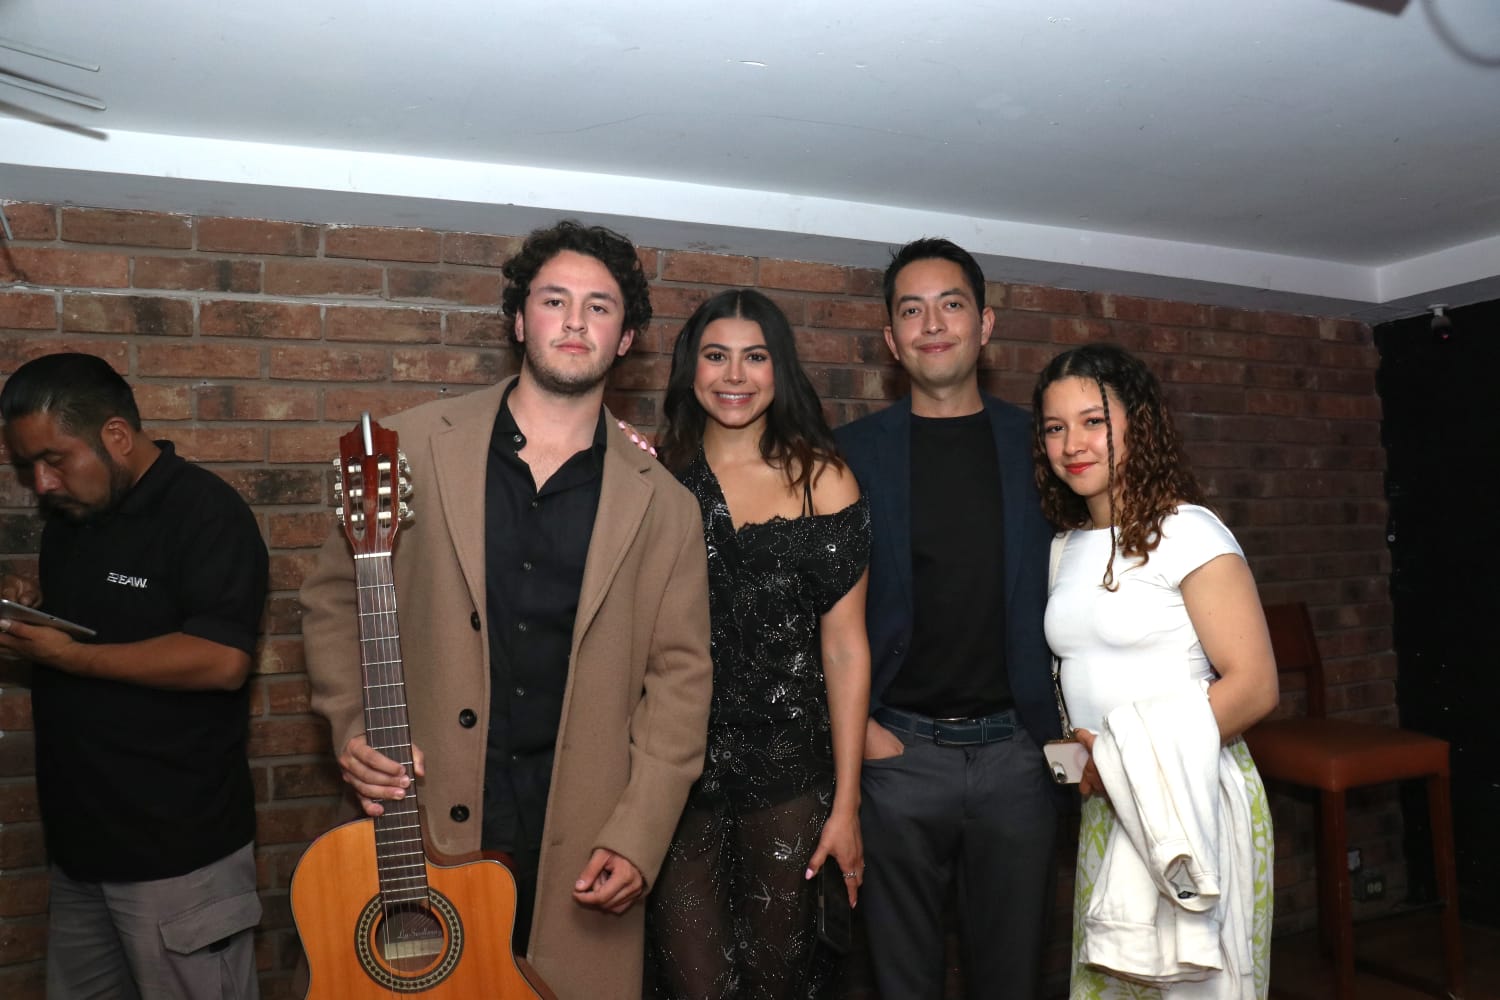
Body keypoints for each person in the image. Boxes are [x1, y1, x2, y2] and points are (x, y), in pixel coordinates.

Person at [299, 220, 713, 999]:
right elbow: (331, 598)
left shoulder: (666, 506)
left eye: (599, 307)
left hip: (580, 843)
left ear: (626, 338)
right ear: (519, 321)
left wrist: (641, 833)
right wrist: (353, 726)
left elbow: (681, 682)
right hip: (420, 820)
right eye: (554, 300)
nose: (575, 321)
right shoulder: (411, 446)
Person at [0, 352, 268, 1000]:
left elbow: (222, 660)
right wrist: (30, 611)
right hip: (81, 856)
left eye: (54, 459)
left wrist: (69, 657)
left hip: (180, 862)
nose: (42, 483)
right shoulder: (70, 519)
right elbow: (104, 625)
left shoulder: (206, 512)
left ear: (116, 435)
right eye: (28, 466)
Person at [835, 238, 1060, 999]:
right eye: (912, 310)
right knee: (900, 982)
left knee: (1013, 978)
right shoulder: (849, 455)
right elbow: (808, 605)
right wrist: (865, 736)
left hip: (1018, 759)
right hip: (898, 758)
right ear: (891, 339)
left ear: (985, 324)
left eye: (951, 304)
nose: (932, 324)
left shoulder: (1041, 446)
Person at [645, 289, 871, 998]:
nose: (734, 375)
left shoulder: (823, 479)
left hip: (791, 776)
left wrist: (847, 806)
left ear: (780, 370)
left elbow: (845, 649)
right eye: (716, 356)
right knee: (693, 983)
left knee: (781, 982)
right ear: (691, 368)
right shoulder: (656, 480)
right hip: (676, 773)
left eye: (755, 357)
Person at [1034, 342, 1278, 998]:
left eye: (1093, 421)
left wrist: (1121, 758)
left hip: (1194, 797)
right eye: (1054, 428)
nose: (1072, 444)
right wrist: (1094, 766)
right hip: (1107, 805)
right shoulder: (1065, 548)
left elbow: (1256, 687)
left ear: (1138, 425)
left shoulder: (1190, 532)